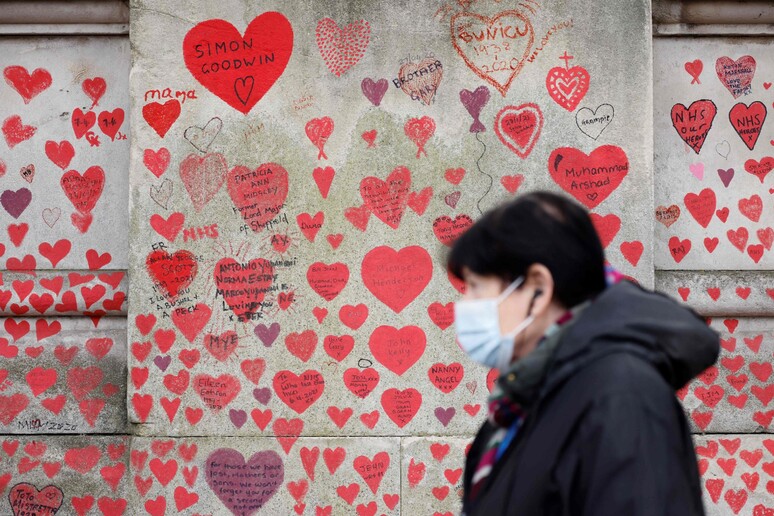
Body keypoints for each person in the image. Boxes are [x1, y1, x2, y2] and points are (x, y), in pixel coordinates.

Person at [448, 191, 720, 516]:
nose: (465, 306)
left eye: (476, 286)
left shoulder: (622, 395)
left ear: (538, 288)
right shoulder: (519, 407)